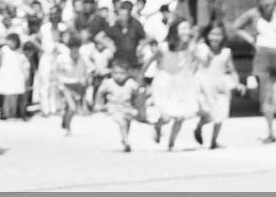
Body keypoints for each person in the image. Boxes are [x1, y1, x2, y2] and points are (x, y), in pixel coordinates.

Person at [229, 0, 276, 143]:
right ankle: (271, 132)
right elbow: (235, 26)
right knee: (265, 95)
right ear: (258, 1)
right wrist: (252, 40)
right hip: (262, 55)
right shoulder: (254, 14)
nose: (266, 2)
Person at [147, 19, 201, 151]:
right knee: (166, 116)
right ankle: (158, 126)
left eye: (188, 28)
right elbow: (149, 61)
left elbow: (198, 61)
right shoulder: (164, 47)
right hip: (165, 83)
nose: (186, 31)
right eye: (183, 28)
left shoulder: (191, 47)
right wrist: (140, 78)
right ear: (175, 30)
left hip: (182, 83)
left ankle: (171, 143)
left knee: (180, 116)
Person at [194, 23, 243, 149]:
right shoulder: (202, 48)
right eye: (212, 34)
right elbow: (201, 65)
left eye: (218, 34)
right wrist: (208, 58)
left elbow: (232, 70)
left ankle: (213, 141)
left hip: (221, 84)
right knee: (209, 114)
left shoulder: (226, 52)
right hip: (205, 85)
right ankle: (199, 127)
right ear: (207, 35)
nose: (215, 37)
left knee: (221, 113)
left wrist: (237, 83)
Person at [95, 61, 139, 152]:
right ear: (112, 73)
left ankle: (124, 138)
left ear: (127, 74)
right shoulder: (108, 82)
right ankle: (127, 143)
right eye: (115, 73)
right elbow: (100, 93)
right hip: (113, 107)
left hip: (127, 107)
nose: (118, 76)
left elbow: (137, 94)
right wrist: (98, 104)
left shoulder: (130, 83)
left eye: (122, 73)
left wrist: (137, 105)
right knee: (122, 123)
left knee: (127, 123)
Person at [54, 33, 91, 135]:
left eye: (77, 48)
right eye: (72, 48)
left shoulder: (83, 59)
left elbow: (87, 72)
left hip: (77, 86)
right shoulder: (61, 58)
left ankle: (65, 120)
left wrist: (85, 80)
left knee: (71, 109)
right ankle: (68, 128)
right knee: (72, 107)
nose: (75, 51)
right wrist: (59, 85)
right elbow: (55, 72)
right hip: (65, 86)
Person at [0, 32, 31, 119]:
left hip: (16, 76)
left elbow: (23, 64)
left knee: (14, 95)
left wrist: (25, 75)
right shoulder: (3, 50)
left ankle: (13, 113)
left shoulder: (19, 52)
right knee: (6, 95)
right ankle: (6, 113)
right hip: (5, 75)